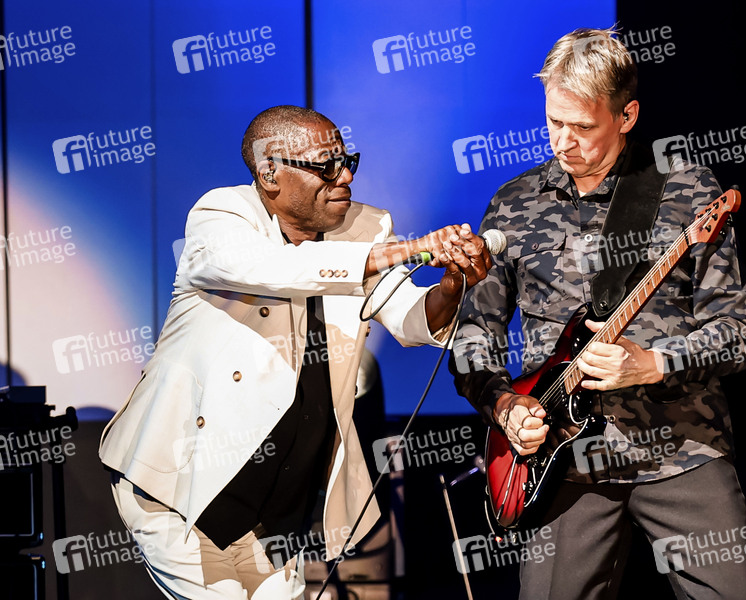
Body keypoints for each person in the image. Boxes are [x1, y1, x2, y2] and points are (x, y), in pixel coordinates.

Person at [98, 105, 490, 599]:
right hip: (185, 484)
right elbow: (273, 268)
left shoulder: (366, 227)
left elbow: (411, 318)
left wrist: (452, 283)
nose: (345, 176)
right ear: (270, 174)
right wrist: (407, 249)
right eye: (326, 166)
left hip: (279, 499)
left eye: (347, 162)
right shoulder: (223, 215)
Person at [450, 28, 746, 599]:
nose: (563, 142)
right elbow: (474, 335)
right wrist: (503, 407)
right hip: (559, 466)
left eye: (583, 126)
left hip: (682, 450)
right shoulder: (513, 203)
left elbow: (738, 334)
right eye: (554, 122)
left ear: (627, 116)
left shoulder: (687, 191)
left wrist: (653, 363)